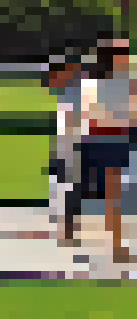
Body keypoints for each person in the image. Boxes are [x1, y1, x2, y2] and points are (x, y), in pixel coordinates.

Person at [74, 39, 134, 266]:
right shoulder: (102, 84)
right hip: (104, 140)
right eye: (123, 54)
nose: (127, 59)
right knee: (110, 196)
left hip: (111, 140)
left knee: (107, 195)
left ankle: (113, 244)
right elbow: (92, 116)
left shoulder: (116, 83)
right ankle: (116, 247)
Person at [46, 54, 83, 247]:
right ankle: (64, 228)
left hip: (73, 145)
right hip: (61, 146)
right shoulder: (53, 95)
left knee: (70, 187)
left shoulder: (76, 93)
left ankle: (68, 228)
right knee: (61, 186)